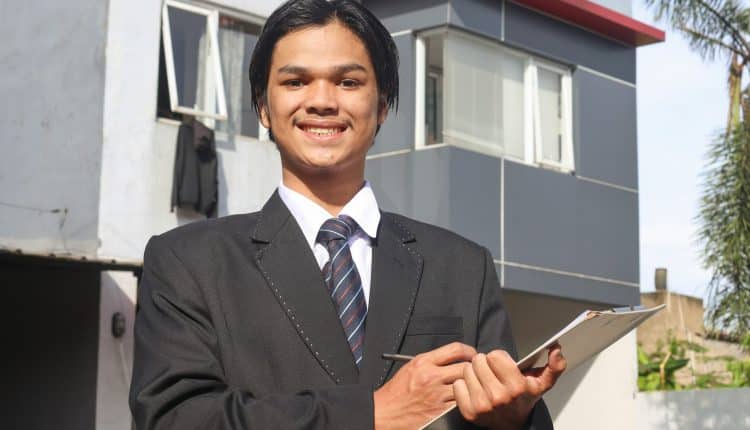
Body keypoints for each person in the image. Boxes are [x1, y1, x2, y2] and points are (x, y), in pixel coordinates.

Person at [129, 0, 566, 428]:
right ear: (262, 106)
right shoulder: (189, 261)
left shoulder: (463, 267)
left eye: (348, 82)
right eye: (295, 81)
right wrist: (373, 413)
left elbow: (504, 406)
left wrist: (515, 419)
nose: (322, 101)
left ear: (383, 106)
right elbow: (172, 418)